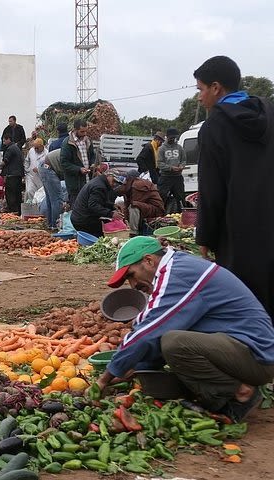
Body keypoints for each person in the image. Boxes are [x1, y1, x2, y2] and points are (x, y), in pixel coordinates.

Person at [96, 236, 274, 422]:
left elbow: (149, 331)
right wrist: (136, 367)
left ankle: (240, 393)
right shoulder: (177, 266)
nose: (133, 285)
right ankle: (226, 388)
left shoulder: (178, 273)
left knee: (174, 343)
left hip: (257, 357)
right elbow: (154, 324)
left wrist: (105, 378)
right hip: (245, 350)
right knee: (169, 342)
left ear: (148, 261)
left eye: (131, 276)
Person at [194, 55, 274, 318]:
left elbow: (212, 191)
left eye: (200, 89)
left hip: (239, 231)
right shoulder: (269, 113)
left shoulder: (214, 126)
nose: (199, 97)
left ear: (216, 88)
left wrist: (205, 236)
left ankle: (258, 354)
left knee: (246, 300)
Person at [70, 172, 125, 237]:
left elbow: (98, 201)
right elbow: (93, 206)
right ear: (108, 176)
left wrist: (112, 205)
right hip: (83, 220)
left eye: (117, 183)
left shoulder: (99, 182)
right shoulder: (99, 186)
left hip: (80, 217)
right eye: (114, 181)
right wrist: (111, 214)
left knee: (107, 223)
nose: (114, 184)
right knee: (106, 231)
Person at [60, 119, 97, 206]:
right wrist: (79, 169)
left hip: (87, 181)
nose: (84, 134)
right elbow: (64, 163)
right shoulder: (67, 143)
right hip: (75, 184)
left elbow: (92, 155)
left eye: (85, 131)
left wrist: (92, 164)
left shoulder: (87, 141)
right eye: (82, 131)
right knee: (76, 209)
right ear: (75, 130)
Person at [117, 170, 164, 236]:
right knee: (133, 206)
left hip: (156, 209)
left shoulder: (138, 185)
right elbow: (127, 206)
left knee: (134, 206)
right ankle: (132, 229)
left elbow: (135, 204)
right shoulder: (130, 186)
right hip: (146, 207)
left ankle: (134, 232)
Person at [157, 128, 187, 213]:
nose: (172, 139)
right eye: (171, 137)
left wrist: (181, 166)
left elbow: (184, 160)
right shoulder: (162, 149)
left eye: (174, 137)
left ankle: (181, 215)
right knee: (161, 197)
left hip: (177, 177)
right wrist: (171, 168)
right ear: (167, 137)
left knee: (180, 198)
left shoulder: (179, 148)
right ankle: (160, 215)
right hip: (165, 177)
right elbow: (159, 163)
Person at [40, 148, 68, 230]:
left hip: (44, 167)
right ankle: (55, 225)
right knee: (57, 199)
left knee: (50, 199)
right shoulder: (73, 155)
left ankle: (51, 224)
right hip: (48, 168)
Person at [1, 133, 24, 215]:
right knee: (18, 193)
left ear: (8, 139)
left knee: (10, 193)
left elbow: (5, 161)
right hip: (18, 174)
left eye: (4, 141)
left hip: (12, 175)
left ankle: (13, 211)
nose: (3, 143)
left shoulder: (10, 149)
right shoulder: (16, 147)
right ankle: (19, 211)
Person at [24, 138, 47, 203]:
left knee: (40, 194)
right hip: (31, 176)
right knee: (29, 191)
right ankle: (30, 207)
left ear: (42, 146)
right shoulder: (31, 151)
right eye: (35, 148)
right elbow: (27, 161)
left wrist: (40, 169)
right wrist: (27, 169)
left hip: (41, 178)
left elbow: (48, 166)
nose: (36, 149)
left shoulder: (46, 153)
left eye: (37, 148)